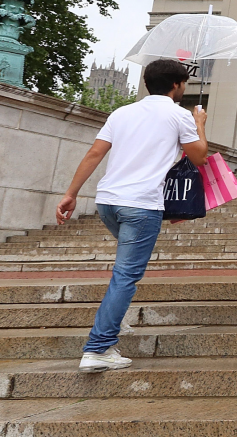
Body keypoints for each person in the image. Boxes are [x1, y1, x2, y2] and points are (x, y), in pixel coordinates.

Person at [56, 59, 207, 372]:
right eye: (184, 84)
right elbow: (200, 156)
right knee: (125, 276)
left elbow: (94, 153)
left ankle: (111, 323)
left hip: (109, 202)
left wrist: (70, 194)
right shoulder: (179, 115)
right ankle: (98, 347)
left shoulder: (122, 112)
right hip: (141, 205)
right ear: (177, 85)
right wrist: (199, 122)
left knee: (124, 270)